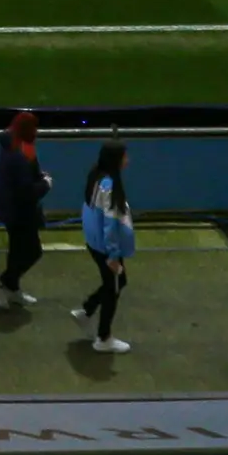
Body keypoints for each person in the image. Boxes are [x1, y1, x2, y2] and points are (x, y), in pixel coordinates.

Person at [0, 111, 49, 309]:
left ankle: (11, 287)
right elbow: (26, 192)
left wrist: (38, 177)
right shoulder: (20, 154)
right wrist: (46, 184)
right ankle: (2, 284)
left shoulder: (14, 144)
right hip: (18, 211)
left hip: (12, 208)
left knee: (17, 250)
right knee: (32, 252)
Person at [75, 142, 134, 354]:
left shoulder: (96, 175)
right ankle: (103, 337)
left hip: (95, 242)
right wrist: (113, 255)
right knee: (114, 287)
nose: (129, 160)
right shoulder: (109, 187)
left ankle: (87, 310)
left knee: (116, 282)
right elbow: (111, 224)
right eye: (125, 156)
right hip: (106, 248)